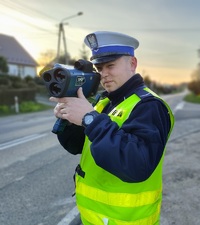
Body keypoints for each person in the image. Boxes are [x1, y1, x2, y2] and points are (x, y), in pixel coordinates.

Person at [50, 31, 175, 225]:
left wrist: (90, 119)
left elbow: (137, 165)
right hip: (92, 216)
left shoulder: (149, 106)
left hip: (126, 220)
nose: (104, 74)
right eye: (99, 67)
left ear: (132, 64)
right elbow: (77, 146)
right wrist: (69, 117)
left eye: (110, 66)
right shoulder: (103, 101)